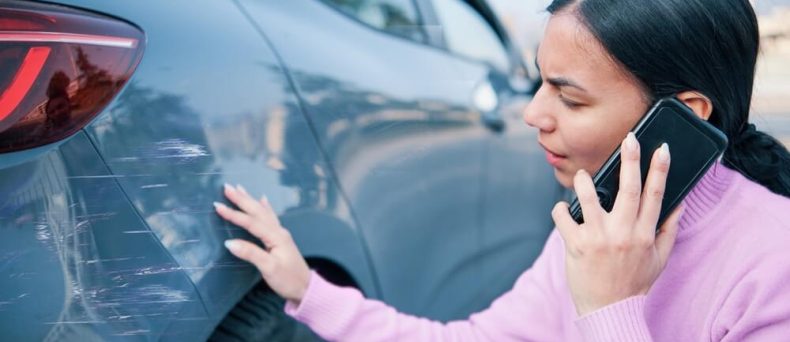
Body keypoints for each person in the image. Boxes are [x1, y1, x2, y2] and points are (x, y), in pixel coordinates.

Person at [212, 0, 790, 340]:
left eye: (570, 98)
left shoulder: (773, 263)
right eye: (539, 81)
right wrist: (308, 289)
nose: (533, 113)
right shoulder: (593, 228)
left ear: (682, 116)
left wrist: (612, 307)